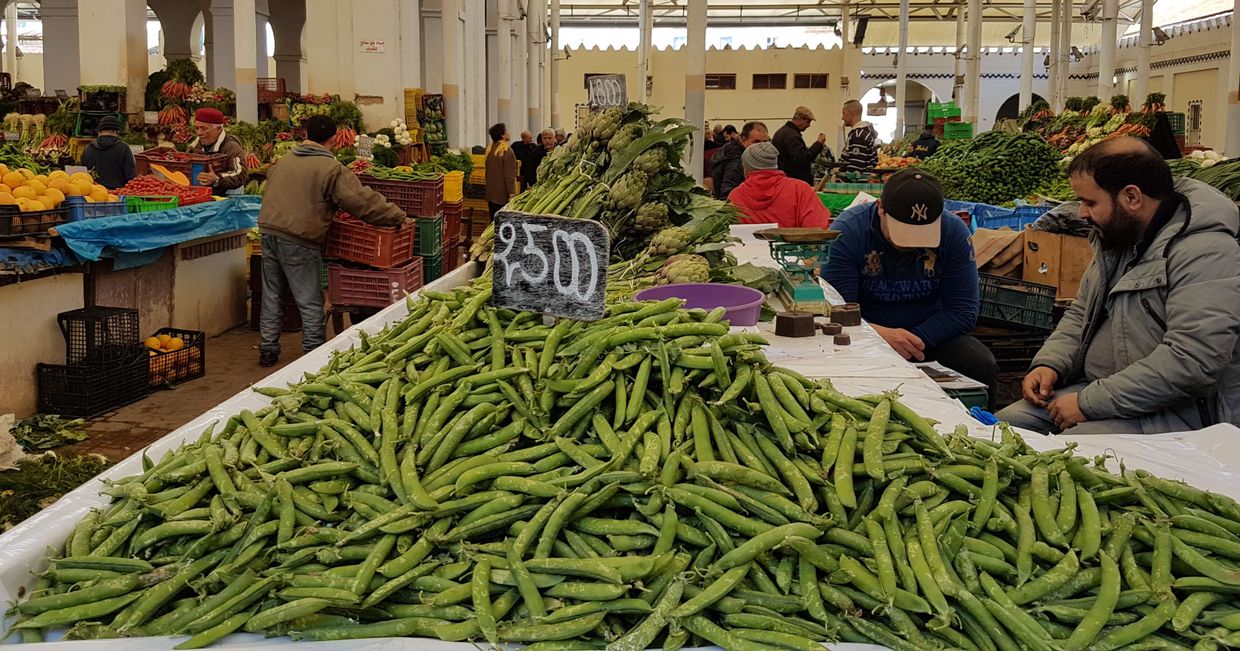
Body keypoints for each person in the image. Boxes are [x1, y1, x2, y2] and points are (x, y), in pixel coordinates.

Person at [995, 137, 1240, 434]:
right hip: (1103, 391)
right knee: (1005, 426)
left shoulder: (1205, 251)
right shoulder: (1118, 239)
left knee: (1071, 447)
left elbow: (1191, 360)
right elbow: (1080, 314)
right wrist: (1050, 365)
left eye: (1090, 202)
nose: (1081, 213)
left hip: (1179, 411)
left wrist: (1088, 403)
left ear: (1132, 197)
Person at [824, 168, 998, 397]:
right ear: (881, 208)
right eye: (903, 234)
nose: (911, 244)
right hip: (866, 335)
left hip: (930, 336)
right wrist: (877, 336)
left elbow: (963, 310)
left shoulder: (953, 231)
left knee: (979, 363)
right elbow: (838, 309)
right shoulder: (847, 232)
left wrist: (911, 342)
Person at [255, 115, 405, 367]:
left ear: (307, 135)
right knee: (309, 300)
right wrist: (396, 216)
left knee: (272, 294)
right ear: (334, 139)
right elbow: (361, 202)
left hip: (268, 231)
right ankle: (314, 354)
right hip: (298, 238)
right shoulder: (331, 169)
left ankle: (268, 350)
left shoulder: (284, 160)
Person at [728, 142, 832, 228]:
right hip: (794, 247)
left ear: (746, 167)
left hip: (746, 247)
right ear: (775, 164)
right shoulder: (800, 190)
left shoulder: (735, 197)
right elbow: (818, 228)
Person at [186, 107, 248, 193]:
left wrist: (217, 179)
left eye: (204, 128)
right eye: (197, 128)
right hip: (203, 192)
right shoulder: (195, 146)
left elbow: (240, 174)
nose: (199, 133)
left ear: (218, 129)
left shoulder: (231, 147)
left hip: (228, 193)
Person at [712, 121, 768, 200]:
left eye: (765, 142)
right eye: (756, 142)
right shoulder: (736, 161)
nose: (761, 146)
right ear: (743, 139)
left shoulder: (733, 151)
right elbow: (727, 195)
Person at [772, 106, 826, 185]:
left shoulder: (782, 132)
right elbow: (802, 159)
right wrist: (818, 144)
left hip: (785, 180)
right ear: (801, 119)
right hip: (794, 182)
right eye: (808, 122)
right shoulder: (791, 136)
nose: (809, 125)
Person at [81, 116, 135, 190]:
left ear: (99, 131)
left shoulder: (88, 148)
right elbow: (130, 175)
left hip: (94, 192)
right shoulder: (124, 148)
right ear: (117, 132)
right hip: (118, 193)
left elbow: (83, 172)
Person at [485, 122, 518, 217]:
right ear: (502, 135)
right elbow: (509, 175)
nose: (508, 132)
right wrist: (512, 193)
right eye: (506, 130)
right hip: (502, 195)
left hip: (491, 193)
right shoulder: (506, 150)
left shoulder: (490, 149)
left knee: (493, 219)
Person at [839, 99, 879, 172]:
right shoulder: (862, 133)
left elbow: (855, 168)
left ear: (851, 113)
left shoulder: (858, 136)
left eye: (843, 113)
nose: (842, 118)